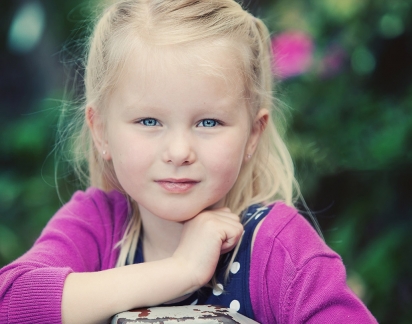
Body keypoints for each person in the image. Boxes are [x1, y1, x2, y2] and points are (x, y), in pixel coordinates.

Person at [0, 0, 378, 323]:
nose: (179, 152)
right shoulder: (98, 225)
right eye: (149, 121)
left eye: (208, 122)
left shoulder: (275, 249)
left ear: (252, 135)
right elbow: (11, 304)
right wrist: (179, 270)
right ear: (101, 132)